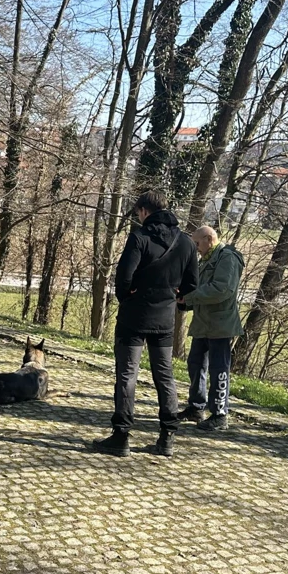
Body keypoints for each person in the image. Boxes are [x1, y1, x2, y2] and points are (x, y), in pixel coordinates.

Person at [91, 190, 198, 458]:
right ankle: (167, 438)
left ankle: (121, 436)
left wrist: (128, 296)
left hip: (134, 318)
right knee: (165, 376)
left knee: (127, 375)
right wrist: (177, 299)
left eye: (138, 211)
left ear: (144, 211)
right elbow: (191, 286)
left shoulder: (139, 237)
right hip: (164, 320)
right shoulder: (186, 243)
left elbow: (123, 279)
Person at [177, 226, 245, 431]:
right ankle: (197, 406)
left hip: (220, 324)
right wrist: (184, 301)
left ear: (209, 239)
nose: (196, 248)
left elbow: (221, 290)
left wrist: (189, 297)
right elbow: (200, 289)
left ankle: (219, 413)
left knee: (219, 369)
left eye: (197, 243)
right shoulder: (206, 259)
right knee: (195, 363)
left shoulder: (227, 258)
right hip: (203, 322)